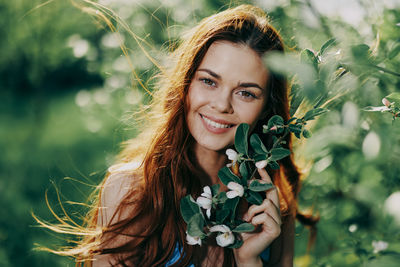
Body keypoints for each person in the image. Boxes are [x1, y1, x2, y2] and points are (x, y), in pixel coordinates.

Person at [52, 4, 316, 267]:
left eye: (246, 93)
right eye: (209, 81)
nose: (222, 104)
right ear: (186, 84)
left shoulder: (271, 206)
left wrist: (248, 261)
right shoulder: (132, 192)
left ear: (266, 109)